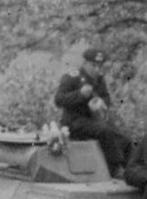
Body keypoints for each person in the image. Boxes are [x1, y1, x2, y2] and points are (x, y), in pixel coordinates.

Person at [54, 47, 132, 176]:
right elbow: (59, 100)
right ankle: (115, 167)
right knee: (104, 131)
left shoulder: (99, 79)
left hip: (92, 121)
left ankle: (132, 169)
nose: (97, 69)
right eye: (93, 65)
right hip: (73, 122)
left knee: (125, 140)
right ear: (85, 63)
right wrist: (80, 95)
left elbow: (106, 97)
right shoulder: (72, 77)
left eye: (100, 66)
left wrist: (102, 102)